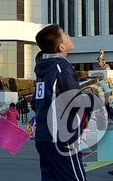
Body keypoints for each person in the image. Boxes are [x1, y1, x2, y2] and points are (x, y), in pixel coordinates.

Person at [33, 24, 86, 181]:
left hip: (44, 136)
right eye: (66, 35)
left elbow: (36, 103)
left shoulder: (43, 68)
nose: (69, 36)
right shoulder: (62, 67)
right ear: (61, 47)